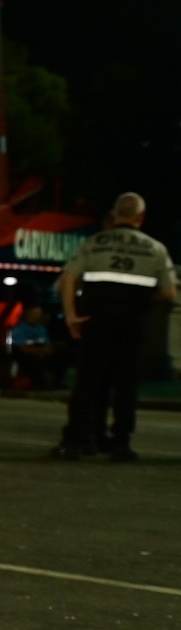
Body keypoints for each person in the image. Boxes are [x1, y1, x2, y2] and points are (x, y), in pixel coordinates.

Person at [54, 192, 177, 461]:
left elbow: (69, 279)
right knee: (127, 383)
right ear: (140, 217)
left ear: (115, 214)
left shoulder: (94, 243)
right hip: (134, 322)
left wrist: (71, 316)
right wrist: (143, 298)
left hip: (96, 319)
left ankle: (76, 440)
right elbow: (169, 294)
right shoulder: (156, 249)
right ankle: (121, 442)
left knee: (87, 380)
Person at [8, 305, 63, 389]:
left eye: (39, 314)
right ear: (28, 314)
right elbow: (21, 347)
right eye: (35, 314)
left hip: (41, 353)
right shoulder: (19, 328)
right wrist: (39, 352)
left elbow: (46, 343)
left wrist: (47, 351)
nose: (37, 316)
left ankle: (54, 383)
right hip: (24, 355)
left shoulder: (41, 328)